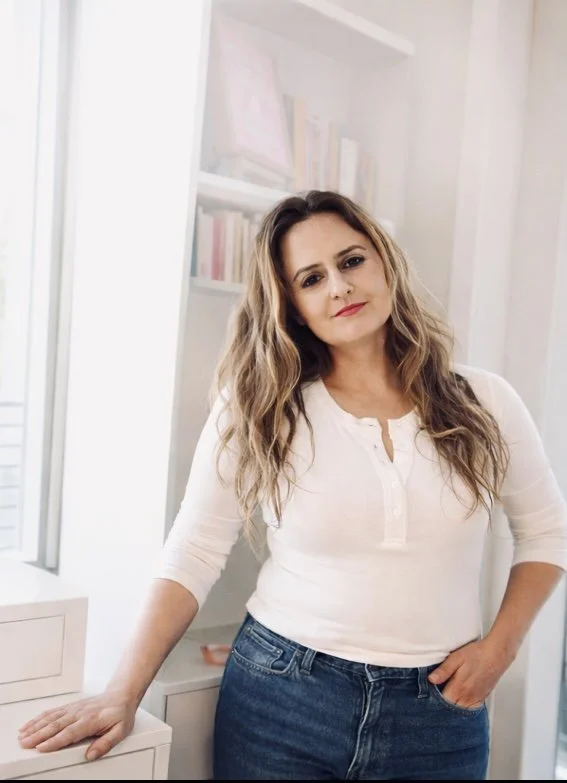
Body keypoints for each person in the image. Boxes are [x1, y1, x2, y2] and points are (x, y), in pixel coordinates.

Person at [18, 191, 567, 780]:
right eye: (311, 278)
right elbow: (194, 551)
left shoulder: (485, 400)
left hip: (440, 714)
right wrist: (121, 692)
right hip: (283, 702)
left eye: (351, 261)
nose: (339, 286)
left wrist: (501, 648)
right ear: (293, 306)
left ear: (384, 262)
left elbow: (546, 532)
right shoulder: (260, 408)